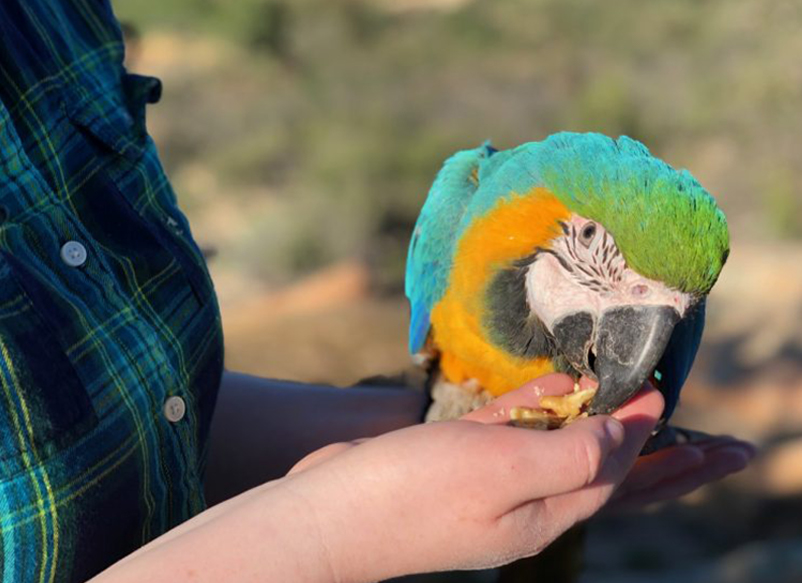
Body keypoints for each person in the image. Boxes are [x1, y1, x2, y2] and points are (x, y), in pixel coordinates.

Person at [0, 3, 755, 583]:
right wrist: (325, 534)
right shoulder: (464, 197)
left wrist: (441, 432)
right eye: (593, 244)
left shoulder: (58, 18)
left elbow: (150, 412)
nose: (636, 310)